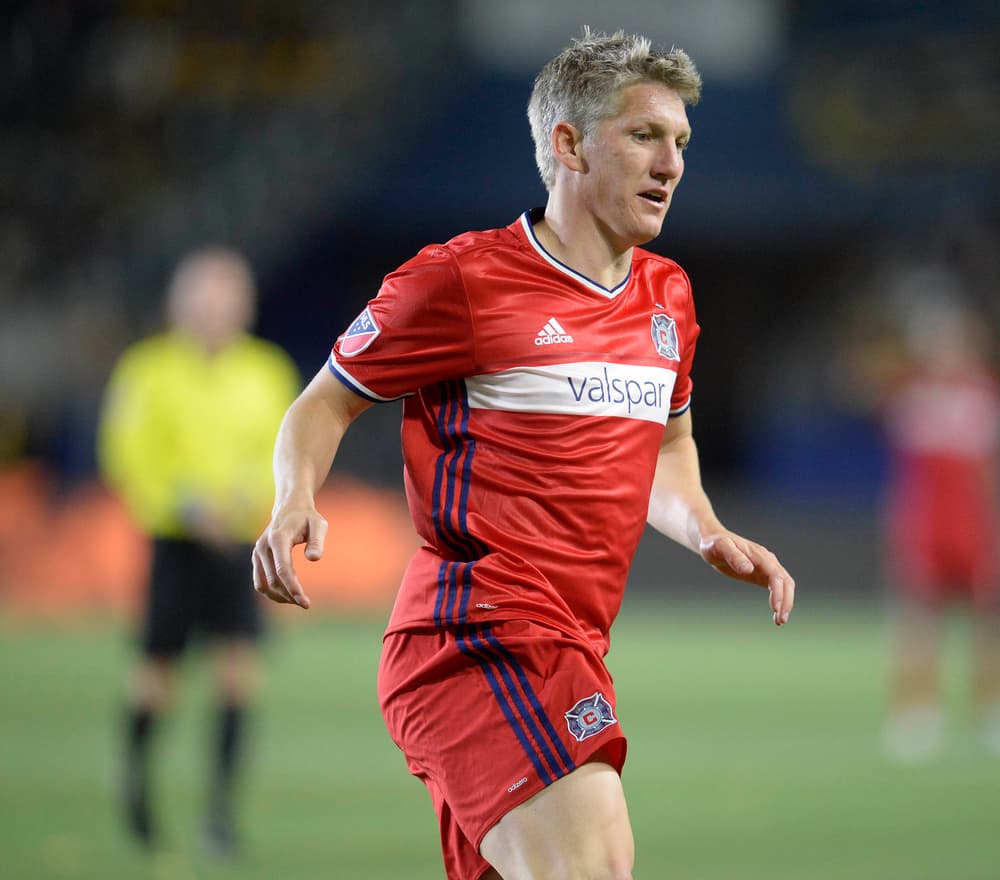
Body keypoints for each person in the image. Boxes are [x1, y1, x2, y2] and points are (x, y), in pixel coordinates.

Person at [252, 29, 794, 880]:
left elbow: (667, 441)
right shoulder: (462, 281)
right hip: (477, 636)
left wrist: (703, 528)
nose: (672, 164)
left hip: (572, 639)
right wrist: (293, 498)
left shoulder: (668, 298)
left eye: (681, 142)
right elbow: (324, 400)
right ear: (568, 144)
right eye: (645, 136)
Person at [98, 247, 300, 854]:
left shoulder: (267, 371)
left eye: (226, 299)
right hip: (177, 542)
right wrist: (186, 506)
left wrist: (243, 502)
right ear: (178, 304)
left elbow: (285, 452)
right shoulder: (147, 370)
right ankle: (136, 786)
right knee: (156, 675)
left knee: (238, 677)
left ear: (244, 305)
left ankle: (218, 813)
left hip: (240, 543)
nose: (215, 311)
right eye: (204, 299)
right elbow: (129, 454)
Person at [848, 273, 1000, 763]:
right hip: (925, 527)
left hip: (976, 526)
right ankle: (916, 714)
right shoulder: (907, 394)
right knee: (917, 622)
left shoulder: (987, 394)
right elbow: (901, 469)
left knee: (993, 618)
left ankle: (995, 711)